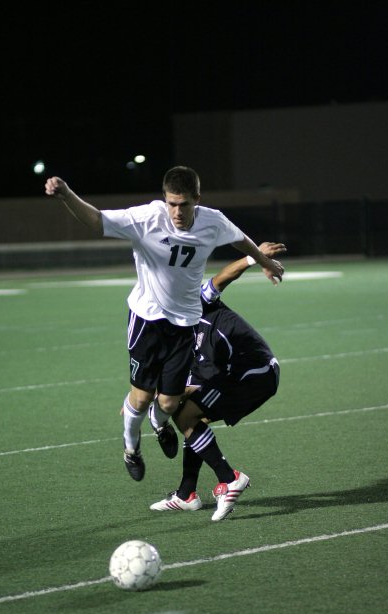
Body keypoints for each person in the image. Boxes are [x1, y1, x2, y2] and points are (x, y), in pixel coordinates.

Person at [45, 167, 284, 482]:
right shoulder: (146, 218)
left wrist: (265, 263)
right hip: (147, 321)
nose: (177, 211)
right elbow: (96, 220)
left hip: (184, 325)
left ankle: (159, 425)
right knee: (142, 398)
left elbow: (241, 240)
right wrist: (65, 194)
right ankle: (131, 448)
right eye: (171, 203)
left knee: (169, 402)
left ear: (196, 200)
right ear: (164, 199)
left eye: (183, 204)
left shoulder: (213, 221)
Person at [150, 241, 285, 521]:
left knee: (184, 414)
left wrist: (255, 257)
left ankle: (230, 478)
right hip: (233, 373)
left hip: (256, 374)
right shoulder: (182, 322)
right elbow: (222, 278)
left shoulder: (201, 316)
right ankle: (187, 495)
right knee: (187, 417)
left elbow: (223, 278)